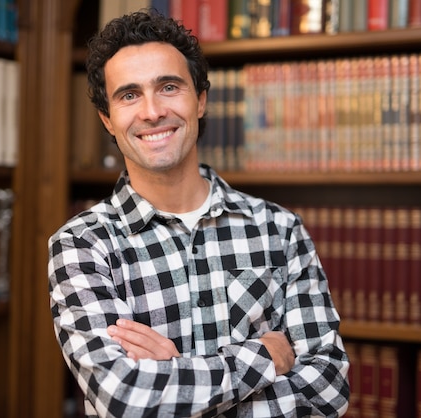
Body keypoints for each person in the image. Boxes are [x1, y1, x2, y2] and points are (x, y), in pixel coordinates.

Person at [48, 10, 349, 418]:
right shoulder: (82, 245)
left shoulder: (279, 230)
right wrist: (266, 356)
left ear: (201, 99)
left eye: (169, 86)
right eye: (129, 95)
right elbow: (126, 398)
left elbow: (328, 390)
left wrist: (173, 374)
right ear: (108, 119)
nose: (152, 111)